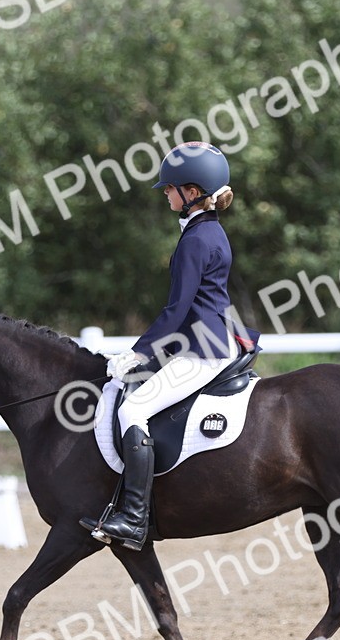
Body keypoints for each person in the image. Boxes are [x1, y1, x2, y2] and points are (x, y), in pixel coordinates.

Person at [81, 142, 259, 551]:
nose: (164, 192)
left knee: (133, 409)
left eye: (170, 187)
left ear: (192, 191)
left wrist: (137, 354)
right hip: (205, 341)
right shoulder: (206, 231)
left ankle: (133, 517)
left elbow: (176, 310)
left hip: (203, 349)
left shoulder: (198, 239)